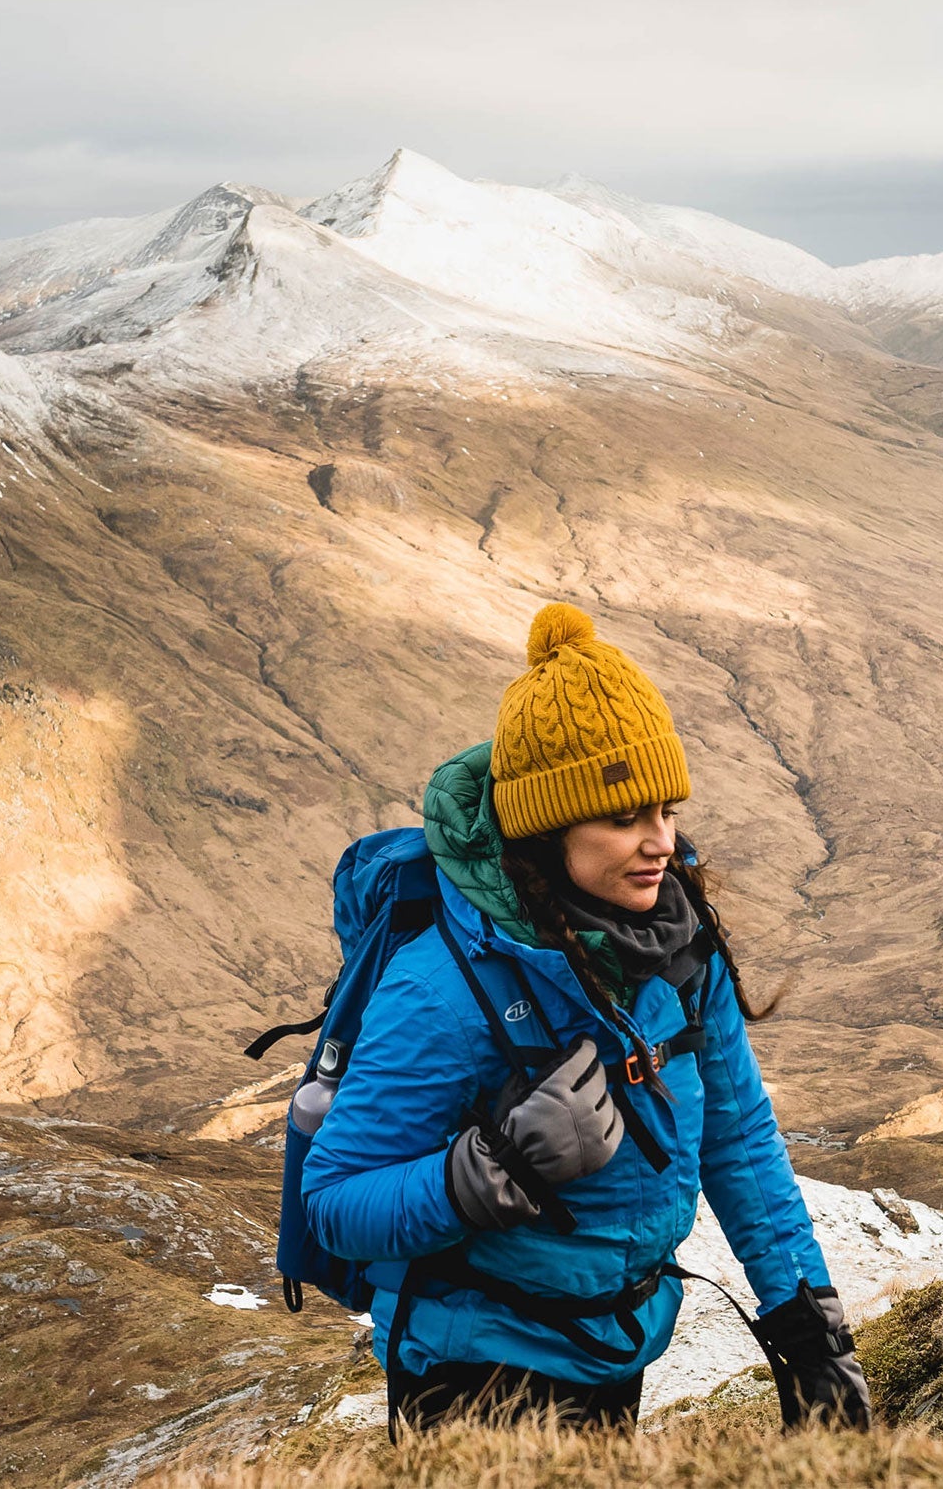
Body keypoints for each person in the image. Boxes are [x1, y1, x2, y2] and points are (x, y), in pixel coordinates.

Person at [301, 602, 871, 1433]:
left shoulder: (677, 944)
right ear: (548, 826)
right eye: (623, 817)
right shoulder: (444, 990)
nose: (661, 842)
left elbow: (738, 1138)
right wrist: (491, 1173)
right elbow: (336, 1199)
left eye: (667, 810)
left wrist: (808, 1324)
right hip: (474, 1372)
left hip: (615, 1344)